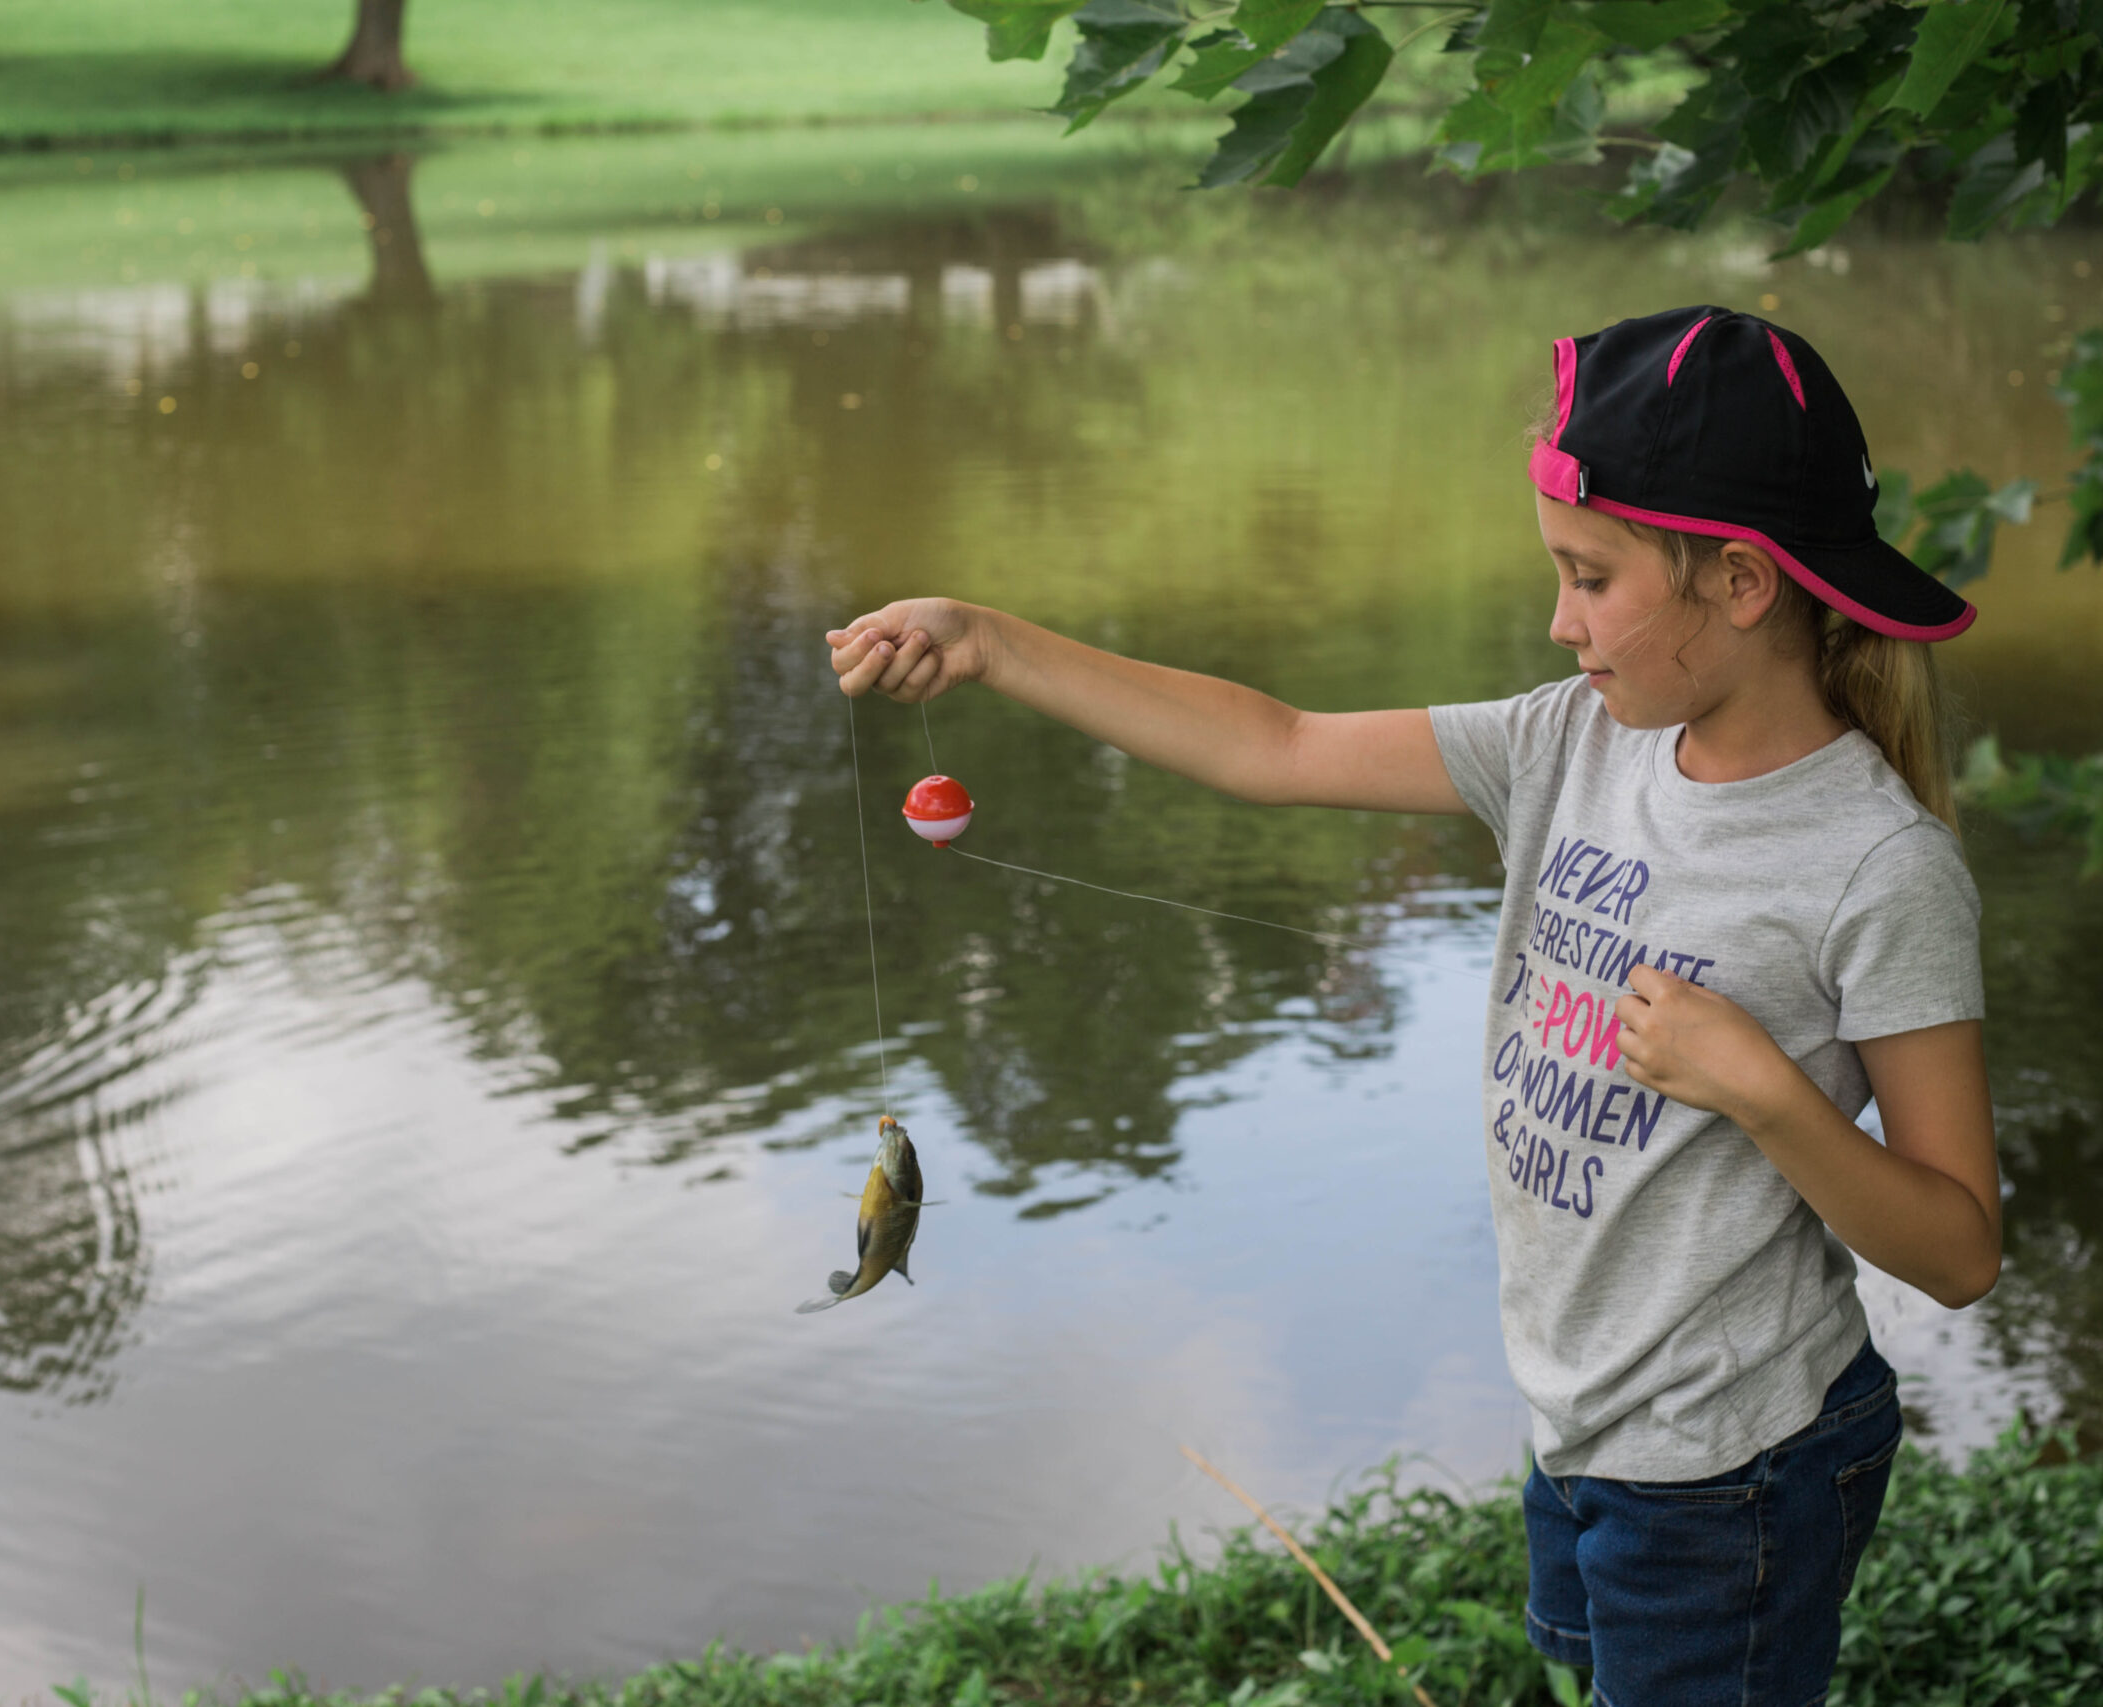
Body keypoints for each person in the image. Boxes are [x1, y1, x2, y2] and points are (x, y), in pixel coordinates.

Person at [825, 305, 1999, 1705]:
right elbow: (1279, 744)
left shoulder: (1878, 866)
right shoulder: (1575, 740)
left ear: (1742, 583)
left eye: (1590, 579)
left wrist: (1760, 1087)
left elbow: (1959, 1250)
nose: (1557, 620)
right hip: (1582, 1417)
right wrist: (992, 643)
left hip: (1726, 1465)